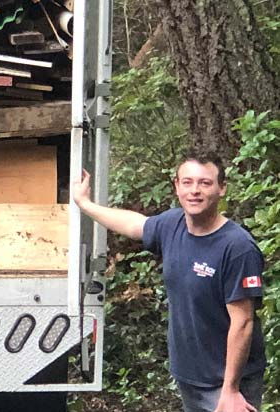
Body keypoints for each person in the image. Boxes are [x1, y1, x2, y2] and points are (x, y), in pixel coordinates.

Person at [72, 152, 265, 412]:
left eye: (205, 183)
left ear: (222, 189)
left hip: (227, 383)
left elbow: (243, 322)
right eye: (187, 182)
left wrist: (230, 390)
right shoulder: (172, 224)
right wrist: (84, 204)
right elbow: (133, 224)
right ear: (177, 186)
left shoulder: (238, 247)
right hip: (189, 376)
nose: (194, 190)